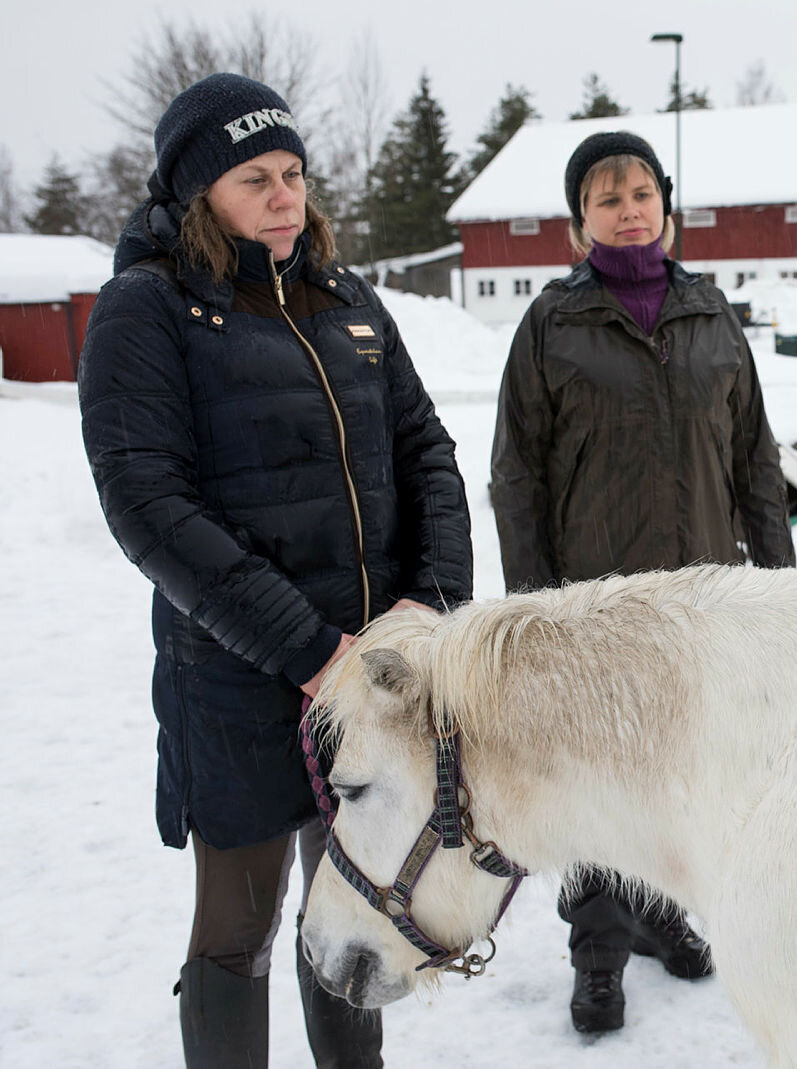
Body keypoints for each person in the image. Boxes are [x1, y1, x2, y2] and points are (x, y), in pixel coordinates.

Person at [78, 73, 473, 1067]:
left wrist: (429, 611)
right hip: (239, 682)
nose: (285, 195)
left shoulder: (348, 301)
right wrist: (309, 649)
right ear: (194, 193)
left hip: (373, 673)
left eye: (293, 172)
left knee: (349, 906)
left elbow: (426, 451)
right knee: (240, 929)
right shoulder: (149, 309)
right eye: (254, 177)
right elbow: (150, 507)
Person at [489, 130, 795, 1033]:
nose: (627, 208)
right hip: (595, 605)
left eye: (640, 192)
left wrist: (776, 586)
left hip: (702, 602)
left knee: (683, 774)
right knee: (597, 784)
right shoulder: (553, 322)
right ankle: (598, 956)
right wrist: (537, 608)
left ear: (666, 203)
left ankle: (664, 915)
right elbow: (517, 474)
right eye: (606, 196)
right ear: (579, 221)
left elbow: (756, 460)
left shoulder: (710, 312)